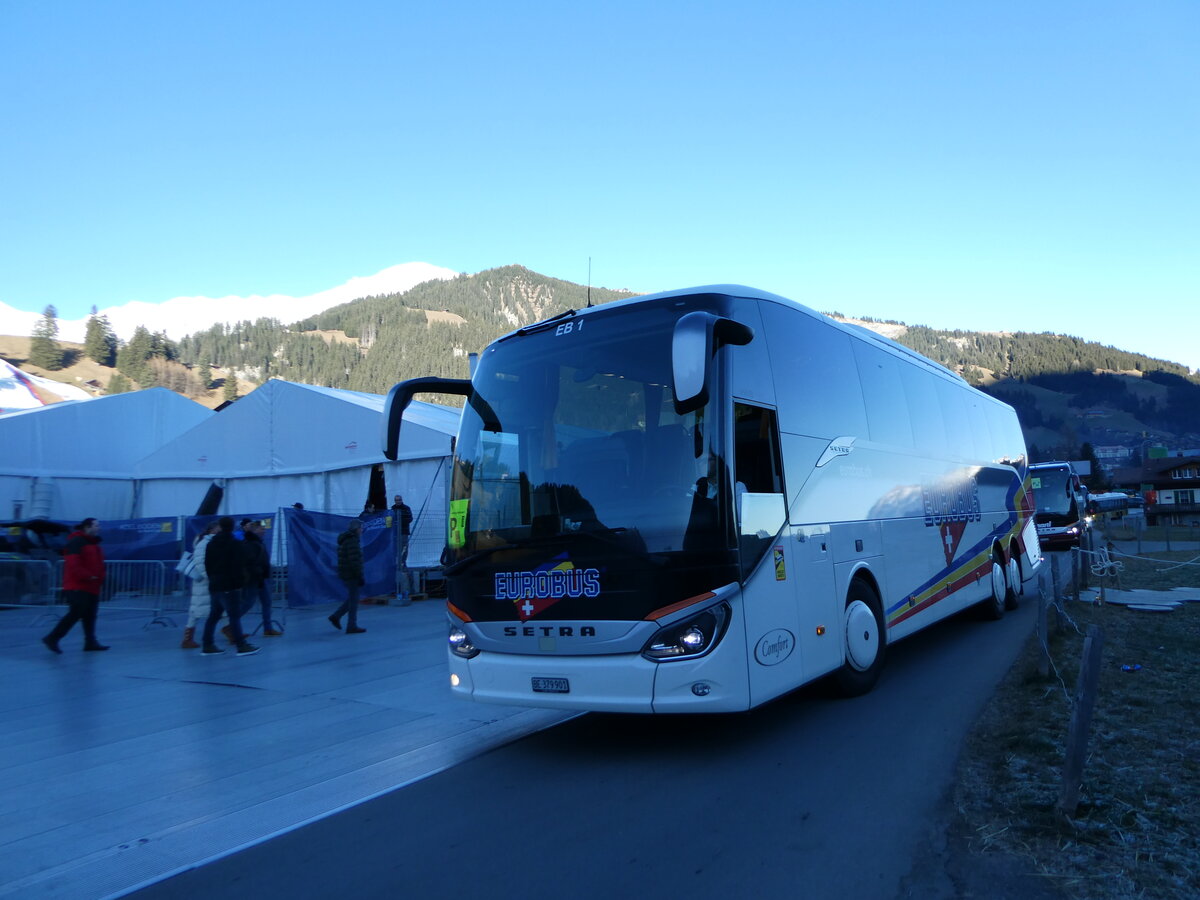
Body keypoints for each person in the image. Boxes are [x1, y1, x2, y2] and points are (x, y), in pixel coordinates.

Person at [42, 517, 109, 653]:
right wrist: (89, 576)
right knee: (75, 613)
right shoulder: (76, 542)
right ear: (87, 527)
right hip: (78, 586)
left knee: (90, 615)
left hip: (92, 586)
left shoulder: (94, 544)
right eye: (96, 525)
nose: (99, 528)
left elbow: (98, 564)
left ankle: (90, 642)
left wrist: (99, 578)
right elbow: (73, 564)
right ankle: (52, 638)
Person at [201, 517, 259, 656]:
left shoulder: (211, 543)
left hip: (215, 584)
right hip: (230, 585)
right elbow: (239, 565)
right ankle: (241, 645)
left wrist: (212, 579)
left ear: (220, 526)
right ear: (233, 527)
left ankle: (207, 645)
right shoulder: (235, 543)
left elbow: (207, 564)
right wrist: (239, 583)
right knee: (233, 616)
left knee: (214, 615)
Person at [180, 521, 220, 649]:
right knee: (198, 610)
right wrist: (209, 576)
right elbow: (201, 561)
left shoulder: (206, 541)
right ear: (212, 529)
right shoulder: (203, 543)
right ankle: (188, 639)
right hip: (205, 581)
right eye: (219, 528)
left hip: (206, 580)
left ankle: (231, 632)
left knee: (216, 609)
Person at [242, 520, 281, 636]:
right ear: (255, 530)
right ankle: (231, 624)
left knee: (267, 602)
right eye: (261, 529)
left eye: (264, 529)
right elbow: (250, 563)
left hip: (261, 578)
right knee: (247, 603)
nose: (264, 531)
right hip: (254, 579)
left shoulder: (259, 542)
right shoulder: (250, 543)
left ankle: (267, 628)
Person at [329, 518, 366, 634]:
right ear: (356, 529)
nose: (362, 530)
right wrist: (359, 575)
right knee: (354, 600)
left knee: (352, 598)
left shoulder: (346, 540)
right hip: (351, 573)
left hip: (346, 572)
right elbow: (354, 560)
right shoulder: (352, 541)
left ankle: (337, 616)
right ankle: (351, 625)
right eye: (360, 528)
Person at [391, 494, 414, 602]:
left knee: (403, 555)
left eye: (399, 500)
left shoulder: (406, 509)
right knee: (396, 555)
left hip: (403, 533)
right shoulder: (392, 509)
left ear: (402, 500)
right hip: (395, 535)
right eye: (396, 500)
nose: (398, 501)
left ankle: (408, 587)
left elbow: (410, 518)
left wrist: (399, 520)